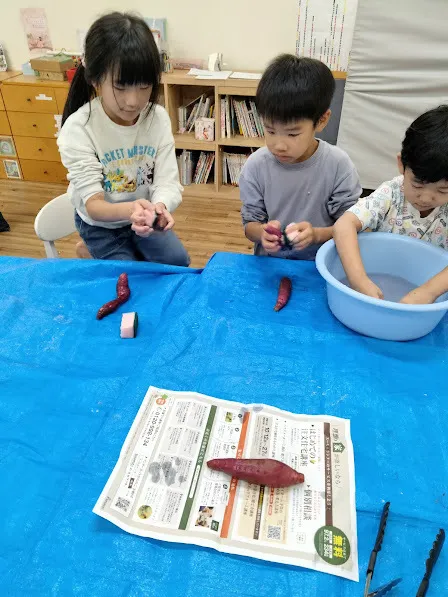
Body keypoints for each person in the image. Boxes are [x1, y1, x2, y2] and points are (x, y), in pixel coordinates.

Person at [58, 12, 189, 265]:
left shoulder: (157, 118)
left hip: (143, 216)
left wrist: (160, 207)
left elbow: (167, 182)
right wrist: (133, 210)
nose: (134, 101)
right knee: (129, 277)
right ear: (96, 79)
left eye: (144, 86)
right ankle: (89, 250)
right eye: (120, 86)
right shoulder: (78, 128)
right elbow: (94, 205)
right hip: (101, 225)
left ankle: (104, 254)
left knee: (178, 263)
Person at [239, 54, 361, 261]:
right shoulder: (256, 166)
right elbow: (250, 225)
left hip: (321, 264)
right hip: (271, 265)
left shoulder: (338, 166)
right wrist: (263, 233)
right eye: (270, 131)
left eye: (293, 134)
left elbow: (352, 225)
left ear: (322, 121)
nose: (279, 145)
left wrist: (317, 235)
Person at [333, 105, 448, 304]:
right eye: (418, 184)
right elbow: (343, 225)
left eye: (442, 190)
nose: (427, 198)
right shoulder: (392, 194)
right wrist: (358, 279)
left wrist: (428, 292)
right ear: (401, 165)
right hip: (380, 281)